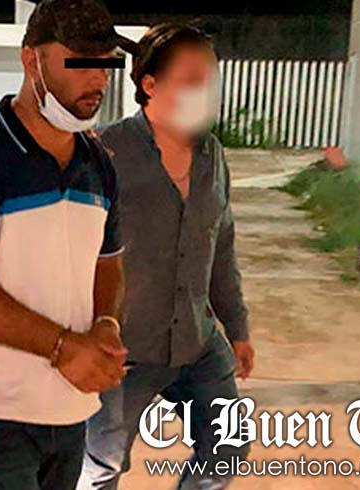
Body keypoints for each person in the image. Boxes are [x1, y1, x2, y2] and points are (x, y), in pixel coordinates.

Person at [0, 0, 137, 488]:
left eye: (105, 63)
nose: (98, 79)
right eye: (80, 61)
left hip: (68, 408)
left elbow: (108, 263)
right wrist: (61, 346)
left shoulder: (97, 164)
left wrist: (105, 324)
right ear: (31, 60)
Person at [77, 23, 254, 490]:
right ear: (151, 85)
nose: (206, 93)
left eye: (210, 81)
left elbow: (221, 246)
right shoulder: (103, 153)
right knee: (100, 469)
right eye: (192, 81)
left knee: (228, 446)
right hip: (123, 349)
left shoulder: (213, 156)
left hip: (196, 341)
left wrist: (237, 328)